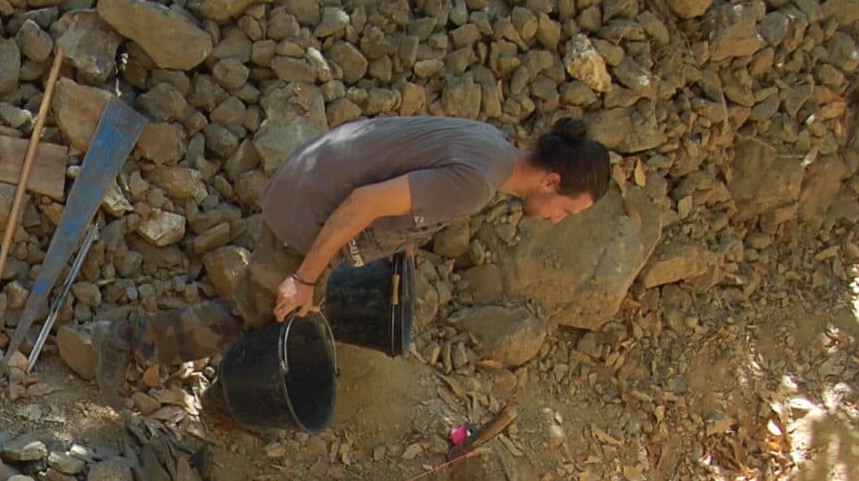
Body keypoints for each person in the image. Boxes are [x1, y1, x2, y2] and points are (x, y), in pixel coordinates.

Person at [95, 116, 612, 404]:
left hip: (312, 181)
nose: (558, 219)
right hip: (310, 214)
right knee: (255, 312)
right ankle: (127, 339)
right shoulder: (475, 183)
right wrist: (302, 276)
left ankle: (222, 387)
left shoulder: (495, 148)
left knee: (290, 309)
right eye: (567, 209)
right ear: (551, 182)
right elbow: (364, 203)